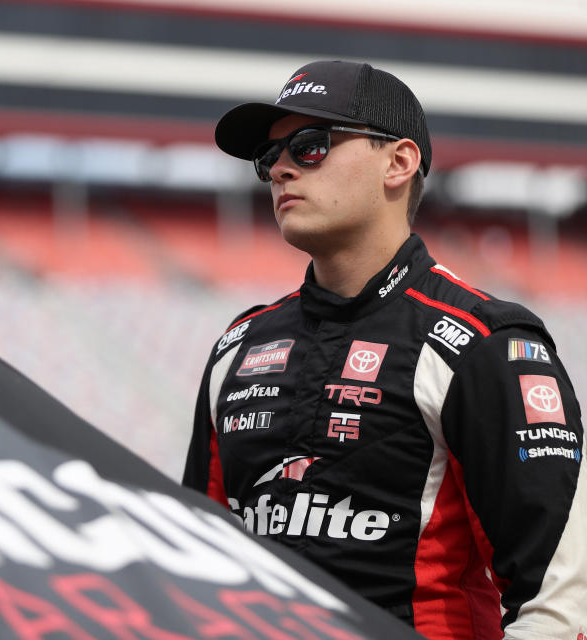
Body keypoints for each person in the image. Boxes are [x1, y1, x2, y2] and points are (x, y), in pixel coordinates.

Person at [182, 60, 586, 639]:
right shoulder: (240, 346)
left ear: (399, 163)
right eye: (269, 159)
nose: (281, 171)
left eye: (310, 147)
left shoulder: (484, 344)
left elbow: (560, 603)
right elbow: (195, 561)